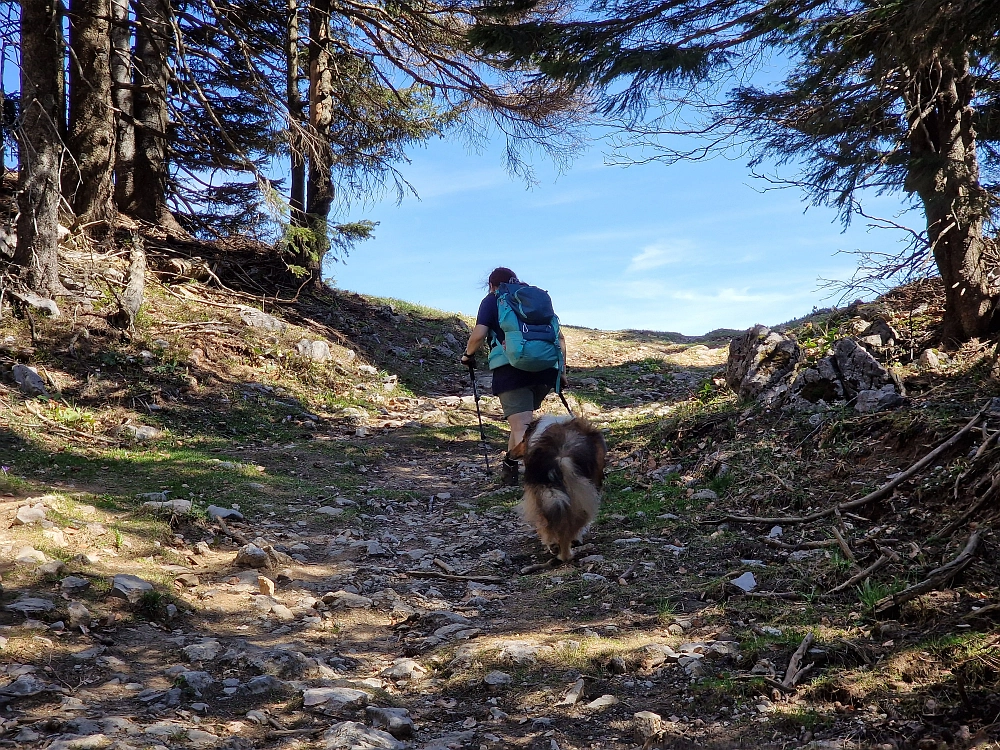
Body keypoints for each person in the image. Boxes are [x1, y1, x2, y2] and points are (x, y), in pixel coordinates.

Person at [461, 267, 566, 486]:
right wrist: (561, 372)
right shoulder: (532, 299)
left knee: (522, 427)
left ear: (491, 285)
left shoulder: (493, 300)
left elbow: (478, 335)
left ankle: (543, 484)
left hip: (512, 370)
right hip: (545, 370)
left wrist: (468, 355)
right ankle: (510, 468)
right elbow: (560, 338)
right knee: (520, 424)